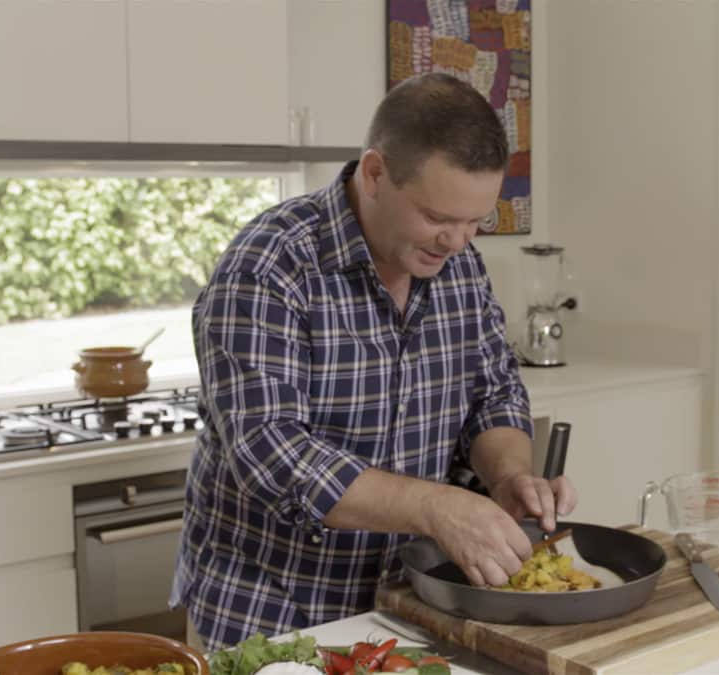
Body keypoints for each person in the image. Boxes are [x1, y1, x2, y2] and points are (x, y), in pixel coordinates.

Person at [171, 73, 576, 650]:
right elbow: (271, 453)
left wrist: (509, 477)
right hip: (272, 615)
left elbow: (494, 395)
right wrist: (437, 510)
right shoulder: (269, 265)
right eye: (437, 217)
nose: (457, 241)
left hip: (408, 608)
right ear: (375, 173)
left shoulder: (459, 265)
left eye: (475, 221)